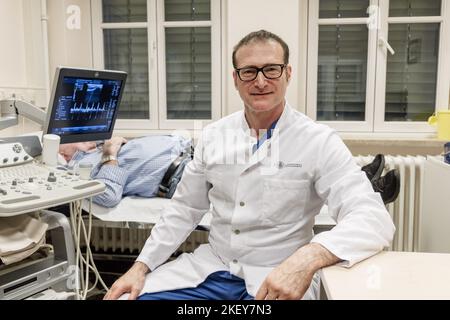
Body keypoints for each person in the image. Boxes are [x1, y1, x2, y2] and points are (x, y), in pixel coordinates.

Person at [104, 30, 395, 300]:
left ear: (287, 73)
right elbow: (183, 210)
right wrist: (140, 267)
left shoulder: (318, 141)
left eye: (271, 69)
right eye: (249, 72)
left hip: (279, 274)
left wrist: (307, 258)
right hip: (212, 269)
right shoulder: (214, 135)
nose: (260, 81)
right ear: (236, 78)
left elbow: (373, 218)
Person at [58, 135, 192, 207]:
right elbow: (109, 196)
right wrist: (109, 155)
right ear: (62, 153)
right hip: (182, 176)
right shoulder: (79, 169)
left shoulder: (97, 147)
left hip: (192, 155)